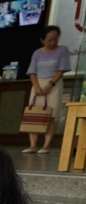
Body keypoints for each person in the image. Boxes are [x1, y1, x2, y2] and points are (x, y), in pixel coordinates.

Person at [24, 25, 70, 154]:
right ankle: (32, 145)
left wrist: (49, 85)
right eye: (50, 40)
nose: (53, 42)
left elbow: (61, 70)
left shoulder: (63, 50)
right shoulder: (37, 53)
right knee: (34, 114)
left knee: (50, 115)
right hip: (37, 83)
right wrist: (37, 87)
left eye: (56, 39)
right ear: (42, 40)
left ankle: (46, 146)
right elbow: (32, 72)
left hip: (54, 84)